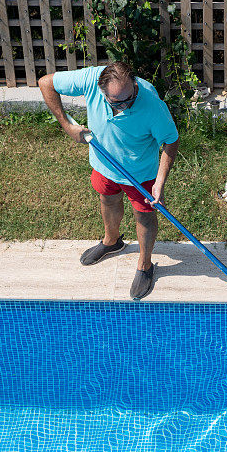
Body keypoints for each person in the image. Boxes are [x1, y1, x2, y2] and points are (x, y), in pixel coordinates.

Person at [39, 61, 179, 299]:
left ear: (134, 84)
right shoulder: (90, 79)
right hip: (104, 163)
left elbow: (171, 140)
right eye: (117, 102)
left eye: (130, 98)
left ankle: (145, 266)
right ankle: (111, 241)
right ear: (102, 91)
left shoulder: (153, 106)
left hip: (140, 173)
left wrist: (159, 183)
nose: (125, 105)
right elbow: (46, 83)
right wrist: (66, 125)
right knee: (108, 200)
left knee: (144, 216)